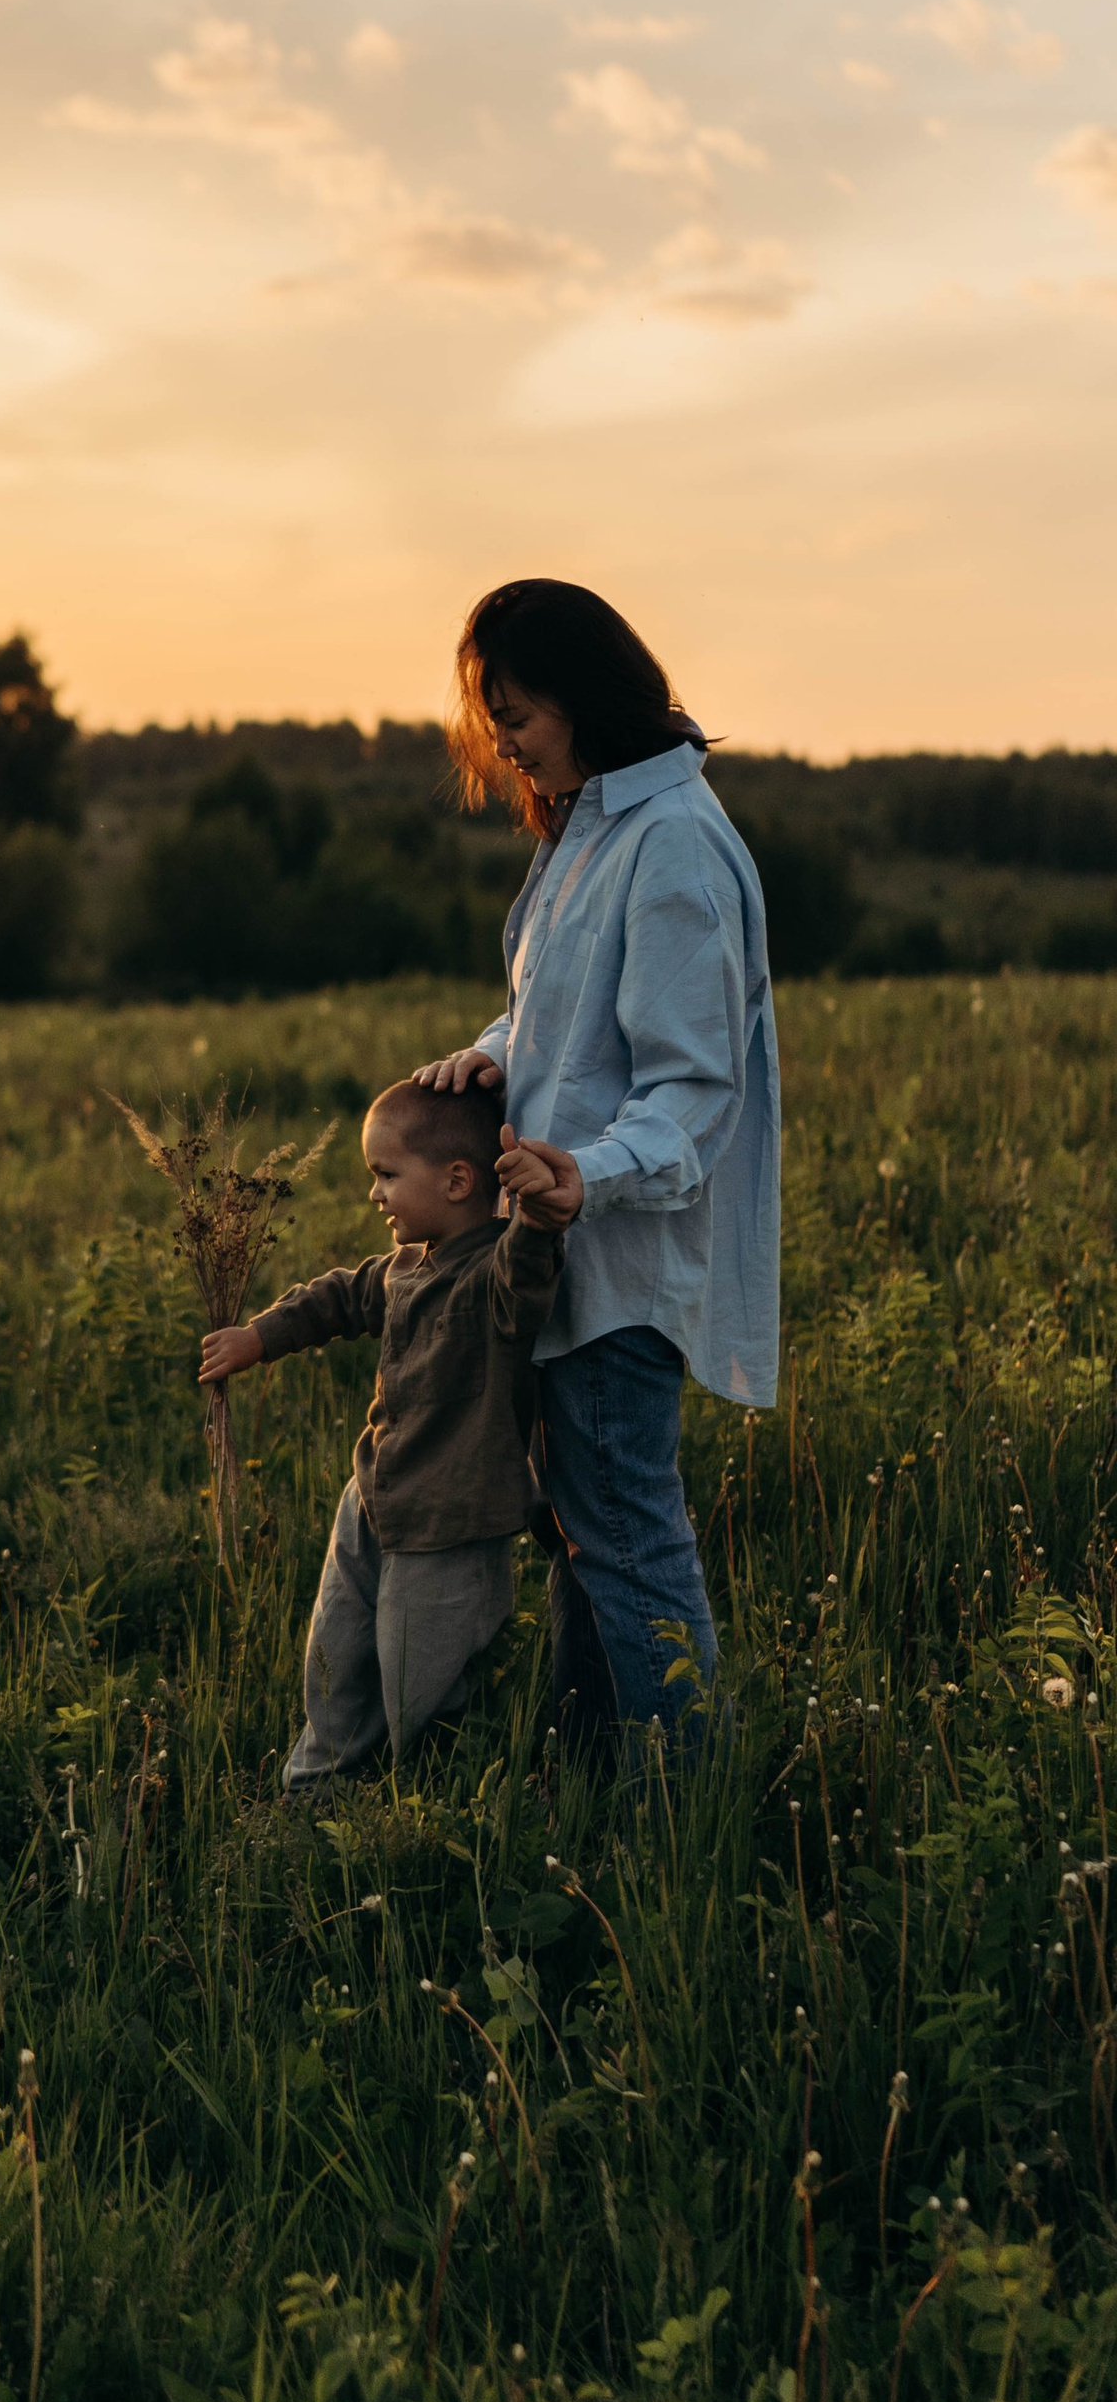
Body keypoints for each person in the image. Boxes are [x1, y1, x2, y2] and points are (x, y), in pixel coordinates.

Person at [416, 578, 780, 1755]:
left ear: (584, 699)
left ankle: (687, 1802)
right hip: (559, 1252)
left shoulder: (670, 844)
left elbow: (691, 1086)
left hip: (618, 1259)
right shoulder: (594, 827)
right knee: (590, 1534)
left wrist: (587, 1173)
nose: (504, 744)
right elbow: (555, 1019)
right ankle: (585, 1781)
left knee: (627, 1538)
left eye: (516, 715)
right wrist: (483, 1061)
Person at [200, 1076, 578, 1785]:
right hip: (373, 1499)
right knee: (336, 1653)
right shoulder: (407, 1264)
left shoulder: (495, 1275)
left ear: (459, 1179)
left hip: (452, 1520)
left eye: (386, 1175)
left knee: (422, 1686)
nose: (375, 1193)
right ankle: (317, 1788)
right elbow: (339, 1294)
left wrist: (538, 1214)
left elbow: (530, 1274)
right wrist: (258, 1335)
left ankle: (427, 1814)